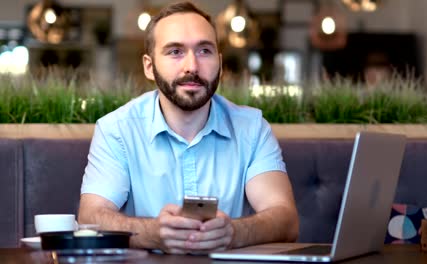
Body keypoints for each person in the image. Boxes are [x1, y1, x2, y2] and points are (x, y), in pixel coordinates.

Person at [78, 1, 298, 254]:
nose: (192, 66)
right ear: (149, 66)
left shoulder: (252, 128)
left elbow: (286, 219)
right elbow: (91, 216)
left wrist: (234, 233)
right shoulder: (116, 130)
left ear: (220, 63)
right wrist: (153, 234)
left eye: (204, 50)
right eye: (175, 52)